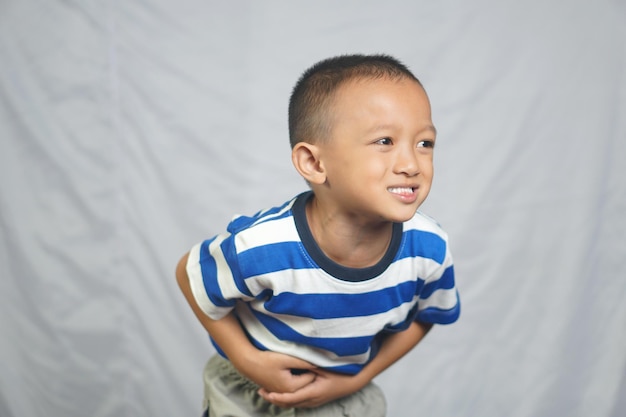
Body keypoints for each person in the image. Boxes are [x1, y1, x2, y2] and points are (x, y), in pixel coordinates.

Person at [176, 53, 461, 417]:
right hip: (252, 395)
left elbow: (427, 315)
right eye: (385, 141)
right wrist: (247, 360)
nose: (411, 164)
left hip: (342, 395)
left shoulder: (429, 249)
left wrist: (358, 379)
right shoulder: (265, 247)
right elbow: (189, 275)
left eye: (425, 143)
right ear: (314, 163)